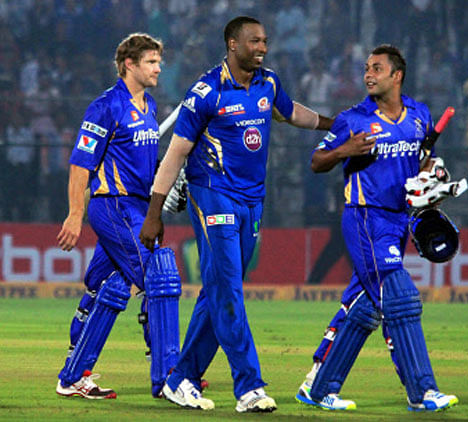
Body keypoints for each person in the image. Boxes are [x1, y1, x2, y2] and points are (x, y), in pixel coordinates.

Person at [139, 16, 334, 412]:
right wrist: (154, 212)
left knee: (217, 289)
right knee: (228, 287)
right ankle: (249, 386)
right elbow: (176, 152)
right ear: (232, 44)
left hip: (252, 201)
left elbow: (288, 112)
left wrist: (334, 125)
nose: (262, 48)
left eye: (264, 41)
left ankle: (181, 378)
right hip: (212, 195)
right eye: (254, 42)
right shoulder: (205, 92)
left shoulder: (269, 82)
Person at [295, 44, 459, 412]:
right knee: (399, 297)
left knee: (366, 307)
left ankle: (318, 388)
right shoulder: (352, 119)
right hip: (366, 218)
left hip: (401, 219)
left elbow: (420, 161)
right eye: (366, 68)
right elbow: (317, 161)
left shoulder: (419, 114)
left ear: (396, 75)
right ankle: (422, 391)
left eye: (377, 68)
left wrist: (432, 175)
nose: (368, 74)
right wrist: (345, 150)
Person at [55, 33, 180, 400]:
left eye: (159, 61)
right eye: (152, 62)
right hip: (113, 206)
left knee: (105, 288)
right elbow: (81, 165)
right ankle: (169, 373)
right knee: (159, 277)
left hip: (138, 209)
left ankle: (73, 376)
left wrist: (163, 194)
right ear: (130, 64)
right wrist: (75, 214)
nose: (159, 68)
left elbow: (140, 163)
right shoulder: (105, 107)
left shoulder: (150, 105)